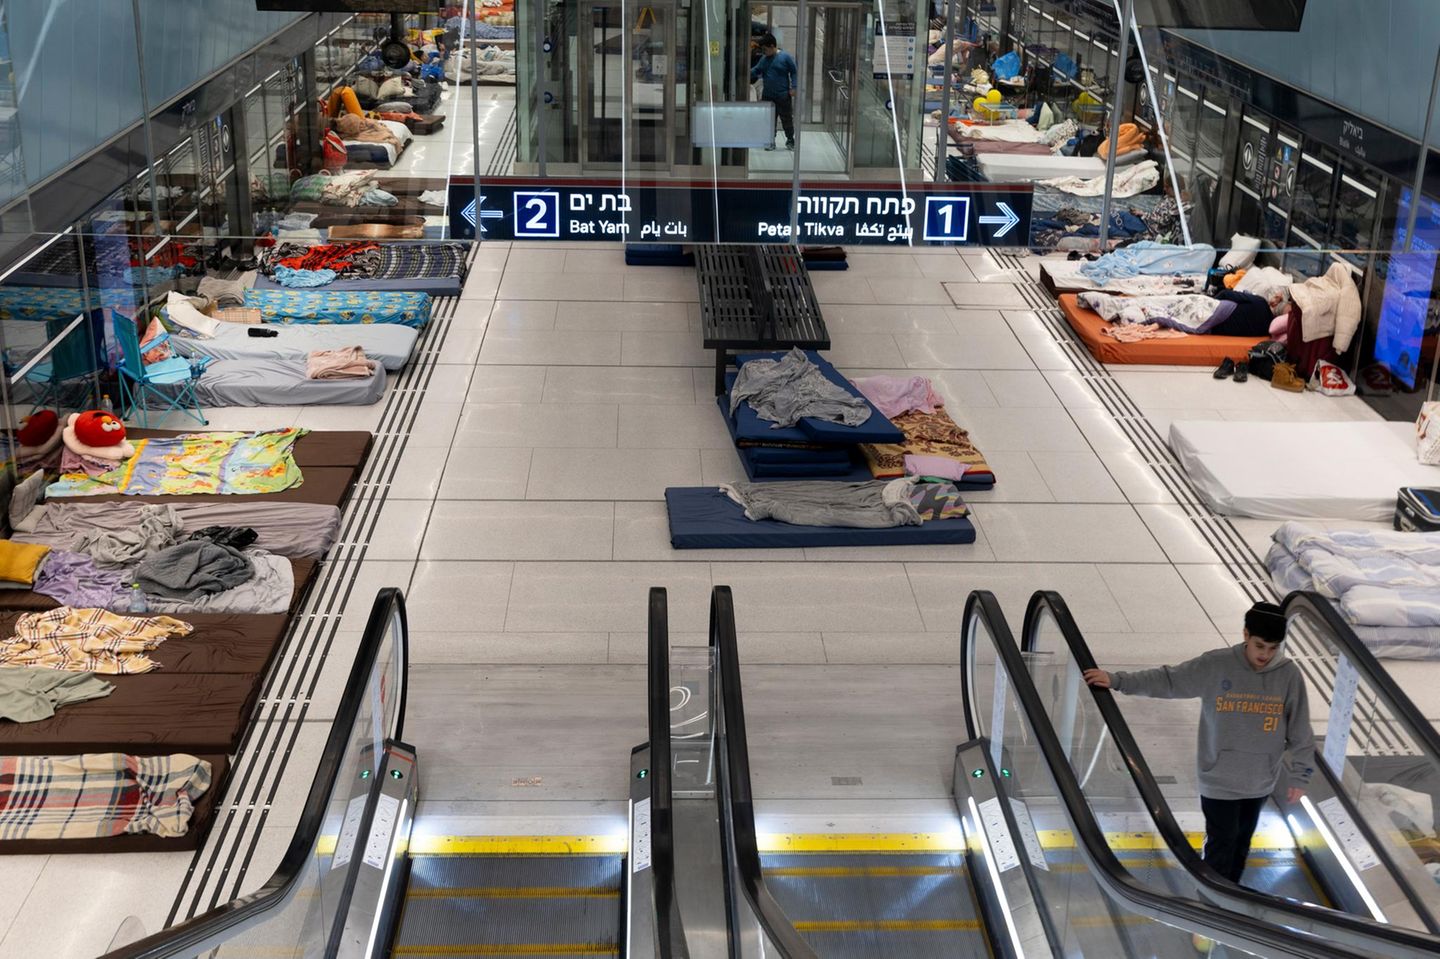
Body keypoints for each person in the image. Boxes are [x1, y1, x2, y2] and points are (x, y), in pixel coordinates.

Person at [1082, 601, 1316, 888]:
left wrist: (1301, 774)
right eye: (1260, 646)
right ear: (1245, 635)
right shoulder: (1217, 665)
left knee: (1241, 843)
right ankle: (1213, 906)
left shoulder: (1288, 675)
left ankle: (1230, 898)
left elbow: (1300, 729)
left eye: (1272, 648)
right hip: (1219, 779)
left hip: (1260, 781)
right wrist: (1117, 681)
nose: (1265, 655)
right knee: (1221, 846)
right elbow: (1170, 680)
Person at [750, 33, 797, 150]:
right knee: (769, 120)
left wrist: (794, 87)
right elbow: (756, 70)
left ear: (772, 46)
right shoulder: (764, 59)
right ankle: (770, 141)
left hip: (783, 95)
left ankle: (790, 139)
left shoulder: (785, 57)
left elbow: (794, 72)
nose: (764, 52)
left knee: (786, 119)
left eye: (765, 49)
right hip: (768, 95)